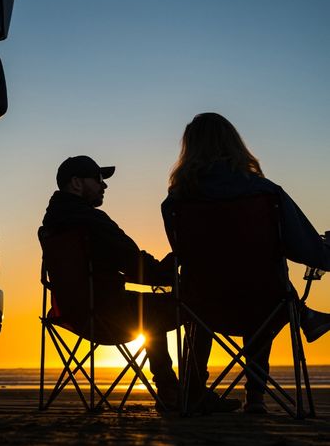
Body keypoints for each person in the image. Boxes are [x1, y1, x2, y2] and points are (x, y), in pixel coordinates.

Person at [38, 155, 240, 413]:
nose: (104, 186)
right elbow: (137, 265)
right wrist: (177, 260)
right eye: (98, 179)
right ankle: (193, 392)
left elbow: (124, 268)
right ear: (76, 183)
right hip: (110, 314)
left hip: (74, 313)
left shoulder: (52, 226)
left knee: (151, 310)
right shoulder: (91, 221)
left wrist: (156, 273)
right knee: (197, 308)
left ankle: (169, 390)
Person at [162, 112, 330, 414]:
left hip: (201, 304)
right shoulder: (267, 193)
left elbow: (184, 253)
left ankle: (194, 394)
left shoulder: (176, 202)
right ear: (234, 144)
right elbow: (307, 250)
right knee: (263, 293)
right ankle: (255, 398)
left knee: (206, 294)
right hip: (263, 302)